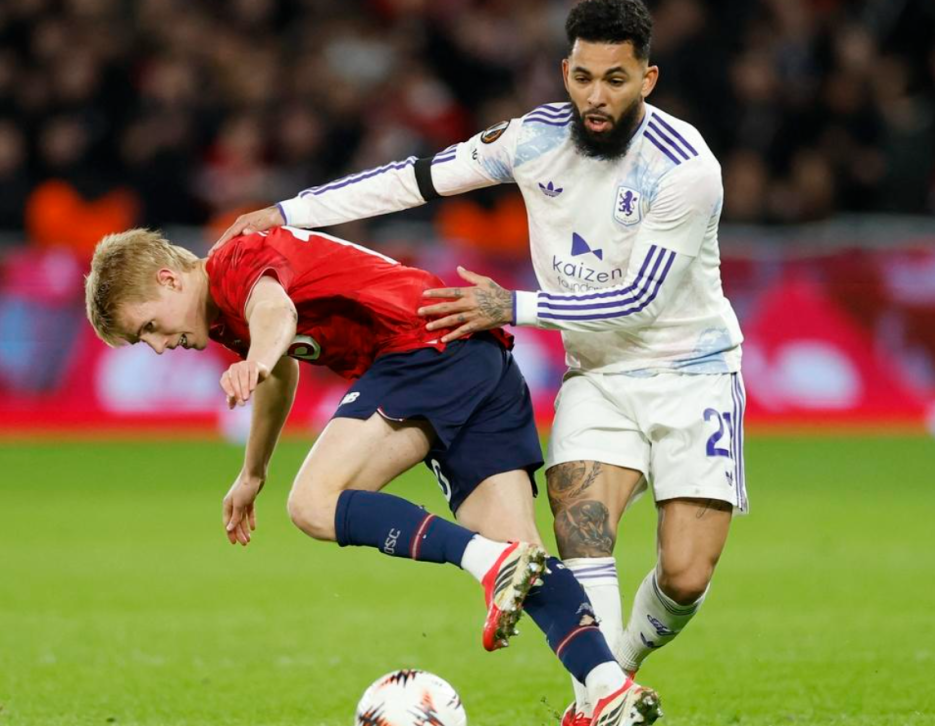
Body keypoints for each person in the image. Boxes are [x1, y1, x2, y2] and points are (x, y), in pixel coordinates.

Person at [215, 0, 747, 723]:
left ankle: (616, 670)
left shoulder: (685, 168)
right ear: (565, 71)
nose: (595, 96)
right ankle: (600, 698)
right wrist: (289, 212)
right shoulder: (532, 140)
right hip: (597, 376)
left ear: (647, 80)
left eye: (615, 80)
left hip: (693, 372)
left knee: (684, 574)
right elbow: (416, 177)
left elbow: (639, 300)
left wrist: (511, 306)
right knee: (581, 530)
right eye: (583, 78)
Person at [84, 225, 662, 726]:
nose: (157, 347)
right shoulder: (225, 315)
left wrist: (254, 360)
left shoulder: (233, 261)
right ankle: (608, 690)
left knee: (313, 504)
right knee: (525, 556)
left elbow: (277, 315)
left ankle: (489, 562)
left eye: (149, 327)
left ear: (168, 279)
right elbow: (282, 373)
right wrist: (253, 471)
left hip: (418, 346)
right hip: (473, 353)